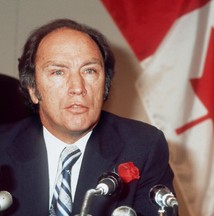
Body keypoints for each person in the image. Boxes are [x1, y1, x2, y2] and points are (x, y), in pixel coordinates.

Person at [0, 19, 176, 216]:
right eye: (58, 71)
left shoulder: (144, 147)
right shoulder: (3, 149)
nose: (78, 88)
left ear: (105, 87)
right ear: (33, 89)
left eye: (90, 71)